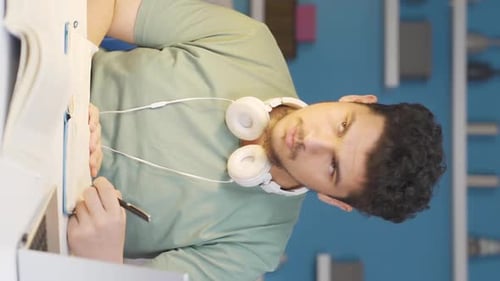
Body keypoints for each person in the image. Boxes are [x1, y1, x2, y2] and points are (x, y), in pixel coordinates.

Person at [70, 0, 446, 280]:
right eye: (342, 126)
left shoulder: (254, 251)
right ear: (355, 101)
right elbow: (109, 4)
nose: (312, 141)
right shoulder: (248, 41)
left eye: (332, 167)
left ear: (334, 200)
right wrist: (69, 84)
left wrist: (102, 262)